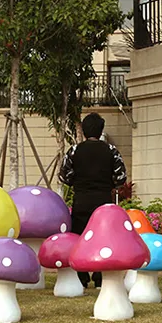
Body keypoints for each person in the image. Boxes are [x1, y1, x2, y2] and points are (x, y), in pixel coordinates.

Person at [59, 112, 127, 288]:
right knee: (104, 237)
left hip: (81, 199)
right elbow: (121, 177)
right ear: (101, 130)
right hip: (104, 201)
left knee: (79, 238)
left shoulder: (74, 150)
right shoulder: (111, 151)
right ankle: (99, 277)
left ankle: (81, 276)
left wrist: (77, 181)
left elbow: (64, 175)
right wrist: (109, 183)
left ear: (83, 129)